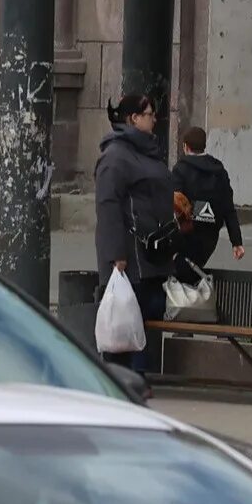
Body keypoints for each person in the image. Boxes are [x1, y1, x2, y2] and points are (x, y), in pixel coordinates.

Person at [94, 94, 178, 377]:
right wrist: (117, 254)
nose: (154, 119)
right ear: (133, 118)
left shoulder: (145, 153)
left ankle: (136, 378)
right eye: (149, 114)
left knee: (145, 319)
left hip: (153, 257)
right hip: (130, 261)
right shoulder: (116, 157)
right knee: (126, 321)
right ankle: (124, 379)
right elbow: (108, 208)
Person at [173, 126, 246, 273]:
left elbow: (175, 202)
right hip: (210, 236)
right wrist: (236, 242)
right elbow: (228, 208)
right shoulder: (219, 170)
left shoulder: (181, 169)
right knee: (195, 270)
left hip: (186, 235)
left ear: (185, 147)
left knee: (182, 273)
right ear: (204, 146)